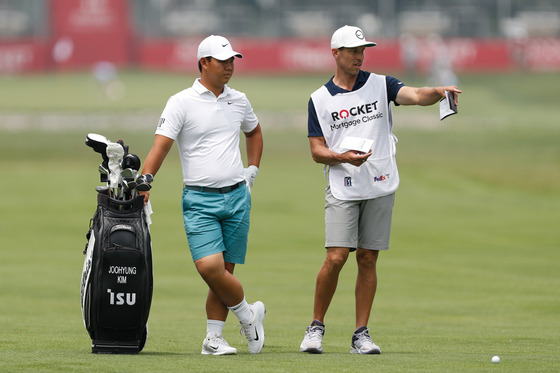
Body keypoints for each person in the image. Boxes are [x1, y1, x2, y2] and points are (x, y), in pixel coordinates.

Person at [299, 25, 462, 355]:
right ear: (335, 53)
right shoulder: (319, 99)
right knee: (336, 257)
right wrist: (342, 157)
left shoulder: (381, 84)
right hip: (343, 184)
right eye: (353, 51)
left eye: (363, 50)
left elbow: (415, 95)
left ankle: (361, 334)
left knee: (368, 258)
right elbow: (317, 150)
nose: (360, 56)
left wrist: (439, 91)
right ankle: (315, 327)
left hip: (380, 182)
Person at [139, 35, 265, 355]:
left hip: (238, 196)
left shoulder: (239, 100)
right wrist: (145, 182)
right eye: (222, 61)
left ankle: (213, 339)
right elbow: (161, 146)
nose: (229, 67)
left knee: (224, 274)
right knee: (210, 268)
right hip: (200, 199)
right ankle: (249, 315)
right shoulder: (181, 102)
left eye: (232, 61)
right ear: (203, 63)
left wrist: (252, 170)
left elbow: (254, 132)